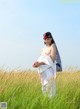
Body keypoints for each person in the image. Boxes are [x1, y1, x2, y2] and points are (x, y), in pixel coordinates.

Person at [33, 32, 56, 98]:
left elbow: (52, 60)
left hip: (49, 71)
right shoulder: (43, 48)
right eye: (46, 39)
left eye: (49, 38)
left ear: (51, 38)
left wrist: (40, 63)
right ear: (44, 40)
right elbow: (40, 58)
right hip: (42, 72)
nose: (48, 40)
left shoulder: (53, 46)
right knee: (44, 91)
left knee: (50, 90)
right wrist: (36, 63)